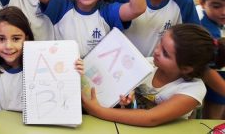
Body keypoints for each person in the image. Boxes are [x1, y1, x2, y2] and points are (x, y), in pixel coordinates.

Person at [0, 6, 84, 134]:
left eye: (16, 39)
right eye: (1, 39)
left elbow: (66, 95)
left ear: (26, 38)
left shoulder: (44, 64)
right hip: (4, 128)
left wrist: (74, 72)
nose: (8, 46)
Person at [82, 24, 218, 126]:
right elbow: (130, 105)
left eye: (165, 53)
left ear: (186, 68)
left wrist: (97, 111)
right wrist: (127, 103)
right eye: (160, 43)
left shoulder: (193, 90)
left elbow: (151, 118)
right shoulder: (147, 64)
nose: (157, 51)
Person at [199, 0, 225, 119]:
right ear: (202, 3)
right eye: (216, 6)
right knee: (213, 123)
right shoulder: (204, 31)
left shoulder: (219, 24)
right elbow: (205, 70)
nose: (224, 12)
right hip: (214, 89)